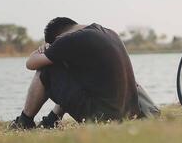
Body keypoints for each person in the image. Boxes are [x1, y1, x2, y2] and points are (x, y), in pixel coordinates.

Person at [9, 17, 160, 129]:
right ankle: (53, 119)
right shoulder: (108, 33)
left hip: (104, 118)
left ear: (58, 37)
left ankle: (25, 121)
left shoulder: (70, 39)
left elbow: (31, 64)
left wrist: (43, 50)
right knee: (73, 68)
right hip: (130, 113)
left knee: (47, 68)